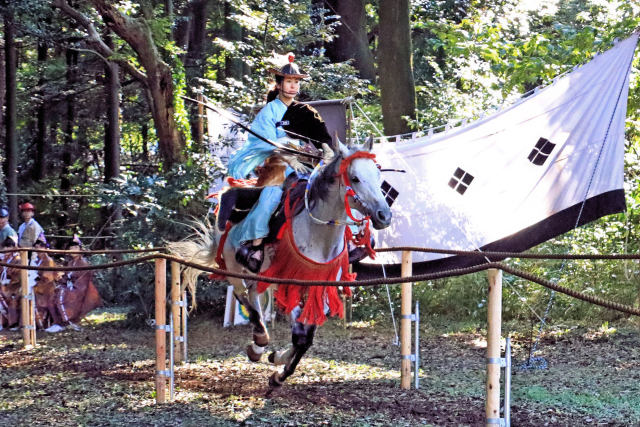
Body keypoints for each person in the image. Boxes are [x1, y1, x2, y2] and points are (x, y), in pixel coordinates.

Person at [226, 53, 334, 272]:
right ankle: (255, 246)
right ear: (279, 84)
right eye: (289, 81)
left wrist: (327, 150)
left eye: (296, 82)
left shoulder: (305, 111)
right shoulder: (268, 112)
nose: (293, 86)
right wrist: (289, 157)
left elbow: (321, 136)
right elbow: (267, 143)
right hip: (277, 165)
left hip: (307, 165)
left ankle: (343, 241)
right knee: (271, 198)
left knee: (334, 189)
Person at [46, 236, 102, 333]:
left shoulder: (83, 263)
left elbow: (84, 281)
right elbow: (66, 276)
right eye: (71, 248)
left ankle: (66, 322)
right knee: (52, 295)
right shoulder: (71, 263)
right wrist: (62, 279)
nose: (73, 250)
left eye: (75, 248)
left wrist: (70, 285)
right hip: (69, 286)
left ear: (80, 249)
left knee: (61, 294)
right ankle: (57, 322)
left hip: (79, 290)